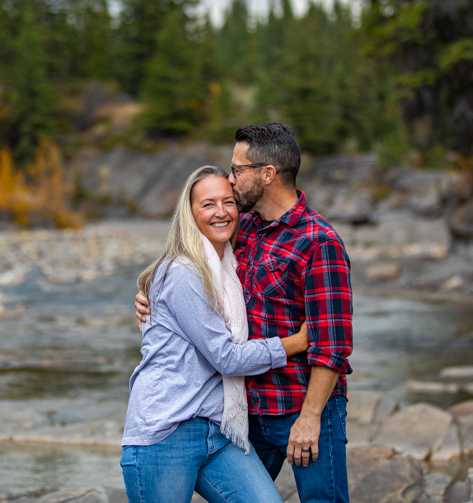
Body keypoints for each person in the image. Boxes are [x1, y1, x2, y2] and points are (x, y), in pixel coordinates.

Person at [136, 124, 353, 503]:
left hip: (298, 407)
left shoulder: (319, 243)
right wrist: (147, 294)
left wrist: (311, 417)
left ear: (267, 174)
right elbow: (187, 261)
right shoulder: (245, 227)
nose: (231, 181)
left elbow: (332, 347)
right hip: (249, 410)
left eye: (238, 170)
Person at [121, 165, 311, 503]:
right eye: (208, 204)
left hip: (219, 431)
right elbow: (226, 357)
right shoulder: (183, 272)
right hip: (166, 432)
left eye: (228, 202)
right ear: (190, 213)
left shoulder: (232, 265)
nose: (221, 212)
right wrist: (296, 342)